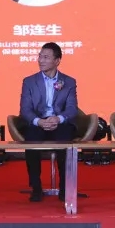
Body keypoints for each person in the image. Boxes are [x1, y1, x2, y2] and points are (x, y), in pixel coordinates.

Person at [18, 42, 78, 201]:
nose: (41, 60)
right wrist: (39, 121)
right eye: (40, 56)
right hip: (38, 123)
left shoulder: (69, 81)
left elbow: (72, 108)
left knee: (65, 142)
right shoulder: (29, 81)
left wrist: (58, 118)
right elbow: (25, 109)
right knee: (31, 141)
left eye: (46, 57)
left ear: (57, 61)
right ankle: (36, 187)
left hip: (59, 123)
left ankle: (65, 188)